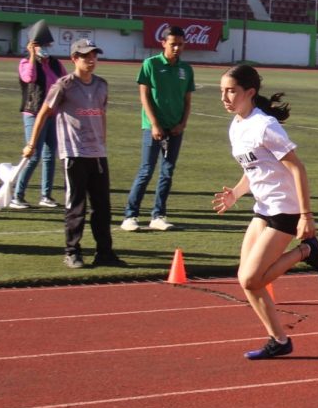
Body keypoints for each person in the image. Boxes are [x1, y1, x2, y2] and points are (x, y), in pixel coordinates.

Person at [212, 64, 318, 360]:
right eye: (222, 91)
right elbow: (252, 169)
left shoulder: (265, 126)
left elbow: (297, 167)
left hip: (285, 209)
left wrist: (307, 215)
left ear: (250, 93)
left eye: (231, 91)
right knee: (246, 279)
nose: (225, 97)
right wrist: (235, 194)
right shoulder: (236, 125)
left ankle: (306, 251)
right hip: (263, 208)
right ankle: (279, 340)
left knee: (252, 280)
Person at [23, 39, 125, 269]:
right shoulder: (64, 85)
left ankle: (105, 252)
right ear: (74, 59)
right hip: (73, 153)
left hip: (97, 154)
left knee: (102, 207)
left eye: (93, 55)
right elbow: (44, 113)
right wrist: (31, 143)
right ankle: (72, 251)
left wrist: (103, 141)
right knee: (76, 205)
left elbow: (101, 114)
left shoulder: (101, 85)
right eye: (85, 56)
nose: (91, 59)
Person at [121, 26, 194, 232]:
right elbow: (144, 96)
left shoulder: (186, 69)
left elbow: (187, 100)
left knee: (167, 172)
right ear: (163, 43)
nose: (177, 48)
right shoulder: (150, 64)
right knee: (146, 171)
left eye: (180, 44)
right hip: (153, 128)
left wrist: (182, 124)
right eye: (173, 44)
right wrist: (154, 124)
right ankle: (130, 215)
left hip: (175, 129)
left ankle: (158, 215)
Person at [12, 20, 66, 209]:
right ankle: (17, 196)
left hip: (52, 114)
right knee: (33, 155)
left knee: (51, 155)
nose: (45, 48)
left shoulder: (55, 64)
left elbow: (65, 82)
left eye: (46, 45)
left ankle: (46, 195)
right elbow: (29, 78)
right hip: (34, 113)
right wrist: (33, 56)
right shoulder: (26, 63)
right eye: (40, 45)